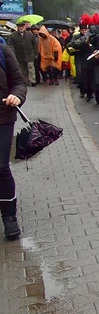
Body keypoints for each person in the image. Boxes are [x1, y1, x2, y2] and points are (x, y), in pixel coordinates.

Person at [0, 38, 27, 239]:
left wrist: (16, 96)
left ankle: (9, 217)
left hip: (2, 118)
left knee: (1, 167)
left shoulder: (2, 49)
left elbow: (18, 83)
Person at [7, 21, 36, 87]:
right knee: (22, 69)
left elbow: (34, 45)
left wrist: (35, 54)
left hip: (29, 55)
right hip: (19, 55)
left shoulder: (30, 35)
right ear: (17, 27)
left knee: (31, 68)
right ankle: (25, 81)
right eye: (20, 27)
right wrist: (13, 54)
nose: (21, 28)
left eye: (22, 27)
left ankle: (33, 81)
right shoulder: (13, 35)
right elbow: (11, 46)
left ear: (25, 27)